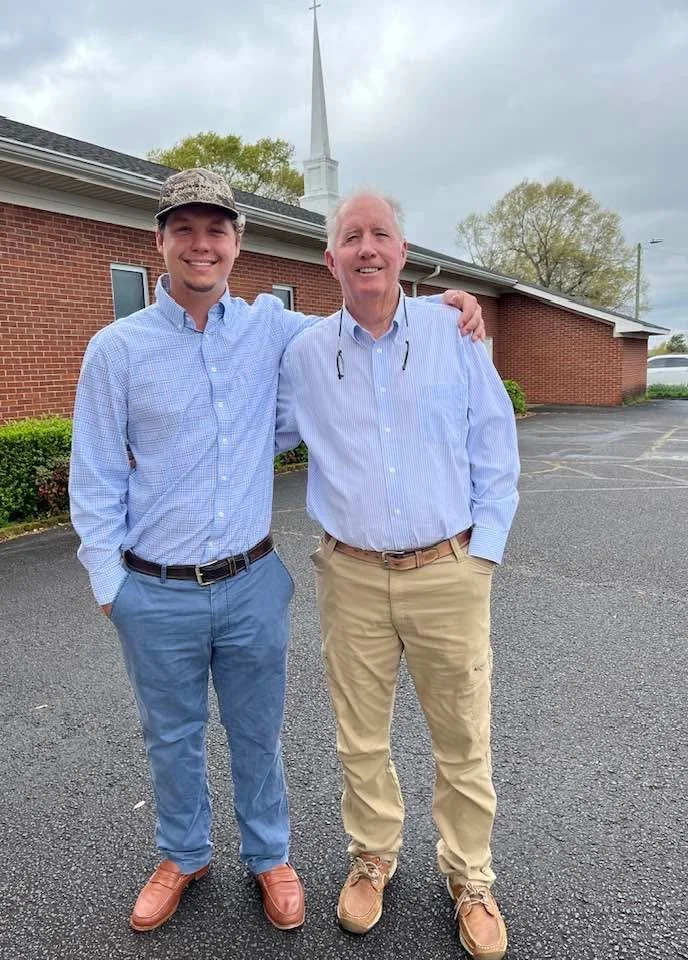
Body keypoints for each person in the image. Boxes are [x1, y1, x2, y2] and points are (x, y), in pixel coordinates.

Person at [69, 168, 485, 935]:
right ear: (160, 240)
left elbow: (361, 317)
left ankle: (269, 857)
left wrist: (446, 307)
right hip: (153, 588)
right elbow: (94, 473)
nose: (201, 244)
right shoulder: (116, 350)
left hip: (252, 580)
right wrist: (109, 585)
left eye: (216, 230)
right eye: (185, 229)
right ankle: (183, 855)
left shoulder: (272, 330)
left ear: (237, 243)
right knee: (171, 737)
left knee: (258, 735)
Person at [275, 192, 520, 959]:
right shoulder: (306, 354)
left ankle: (470, 876)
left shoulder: (454, 332)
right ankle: (372, 857)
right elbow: (247, 416)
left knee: (463, 736)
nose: (367, 248)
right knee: (359, 736)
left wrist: (482, 558)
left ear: (402, 252)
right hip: (349, 575)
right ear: (331, 259)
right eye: (351, 237)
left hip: (448, 569)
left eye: (380, 234)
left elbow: (494, 444)